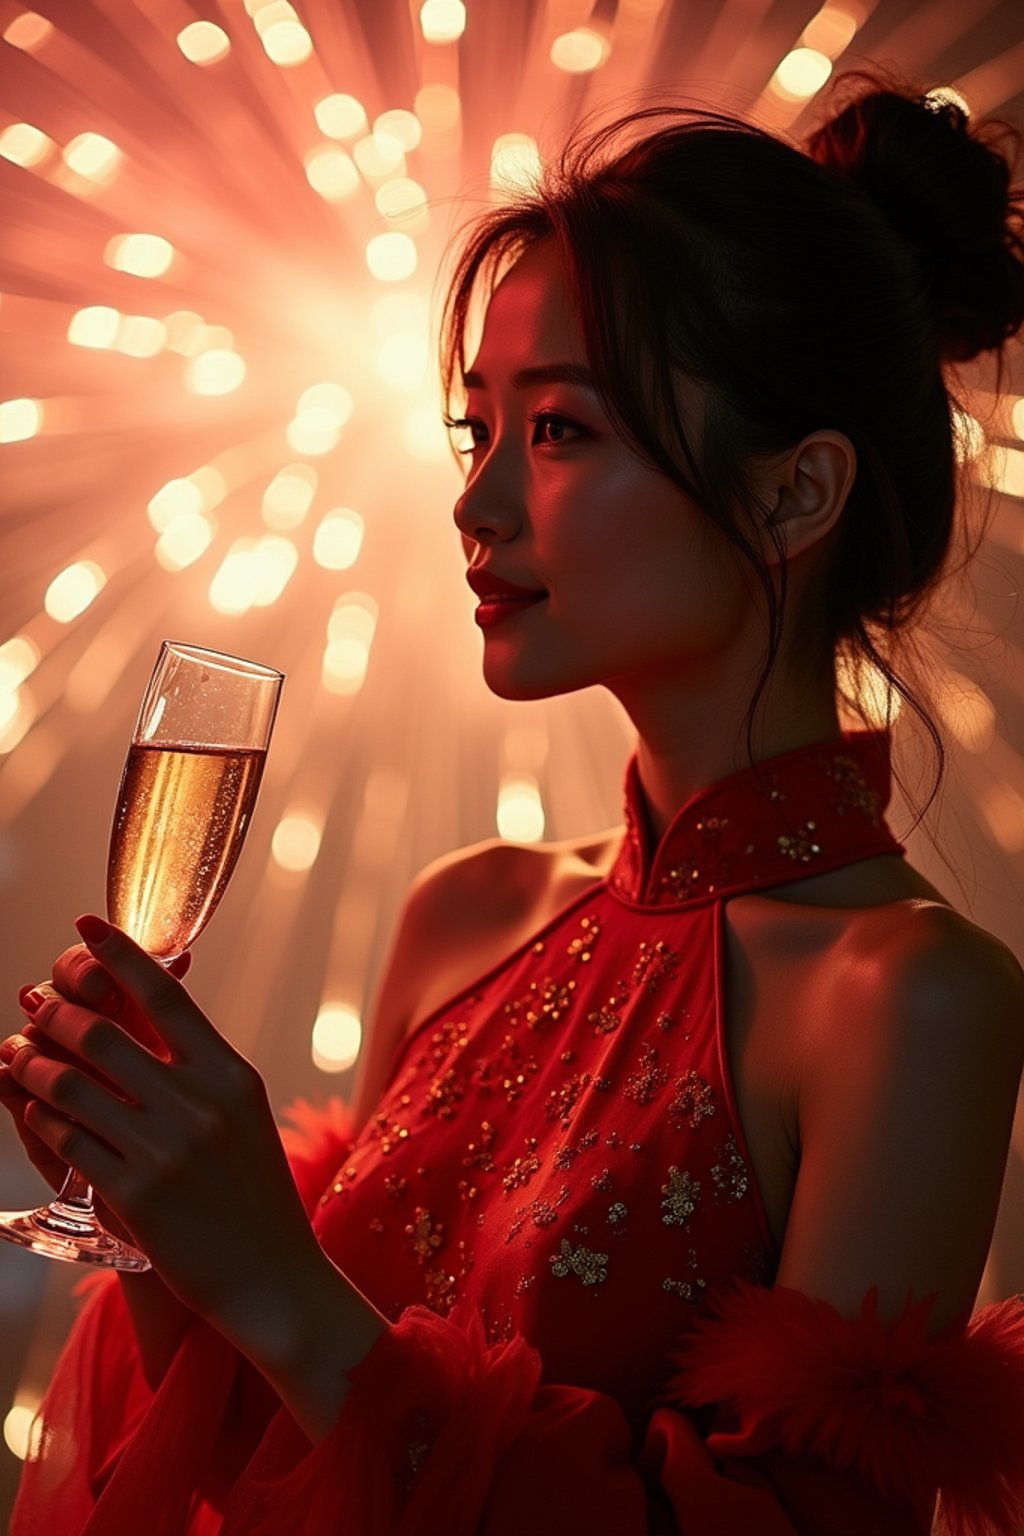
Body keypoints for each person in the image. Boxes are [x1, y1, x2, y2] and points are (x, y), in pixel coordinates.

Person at [4, 66, 1024, 1536]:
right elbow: (263, 1471)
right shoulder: (465, 914)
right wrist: (171, 1230)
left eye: (559, 433)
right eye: (476, 429)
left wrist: (277, 1273)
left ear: (797, 496)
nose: (478, 504)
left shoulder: (913, 1000)